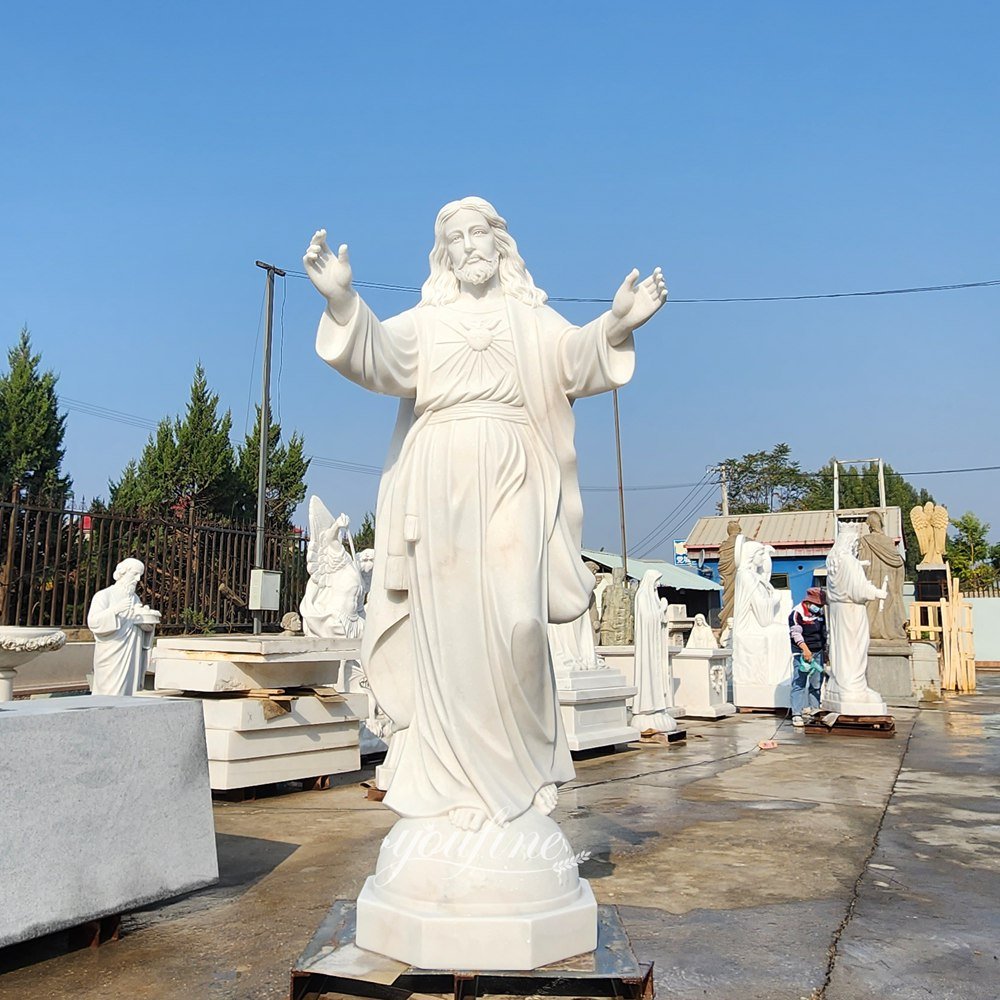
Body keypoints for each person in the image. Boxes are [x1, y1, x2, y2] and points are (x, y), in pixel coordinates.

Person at [304, 197, 666, 832]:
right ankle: (457, 782)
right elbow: (381, 356)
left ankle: (518, 772)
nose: (470, 245)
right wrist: (342, 303)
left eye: (480, 233)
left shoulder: (528, 316)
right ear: (444, 255)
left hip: (514, 468)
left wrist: (614, 325)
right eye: (456, 238)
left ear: (500, 244)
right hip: (439, 476)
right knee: (450, 629)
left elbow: (571, 361)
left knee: (517, 619)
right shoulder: (430, 318)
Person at [88, 558, 160, 696]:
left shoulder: (135, 599)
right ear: (122, 572)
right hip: (111, 653)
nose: (138, 579)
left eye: (140, 575)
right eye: (134, 574)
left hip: (131, 652)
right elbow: (93, 622)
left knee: (128, 691)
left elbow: (137, 624)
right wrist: (115, 610)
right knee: (108, 691)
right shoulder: (104, 595)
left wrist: (148, 619)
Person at [788, 586, 827, 726]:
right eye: (817, 605)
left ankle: (815, 711)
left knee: (816, 684)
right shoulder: (797, 613)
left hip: (818, 652)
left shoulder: (821, 614)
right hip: (802, 652)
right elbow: (796, 633)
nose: (818, 607)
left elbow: (824, 633)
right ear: (809, 602)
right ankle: (796, 714)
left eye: (820, 605)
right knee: (799, 682)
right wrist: (805, 650)